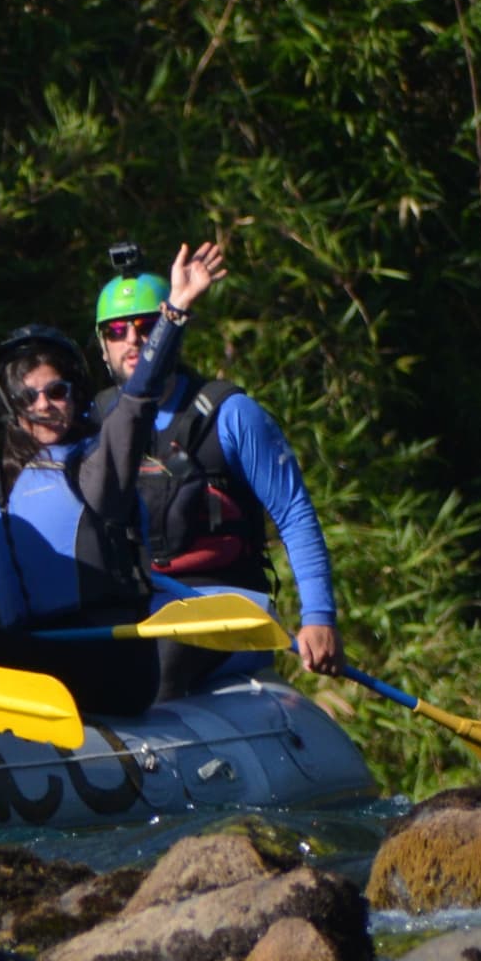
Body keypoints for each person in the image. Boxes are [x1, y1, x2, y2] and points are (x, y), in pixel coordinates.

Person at [0, 240, 230, 717]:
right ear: (11, 409)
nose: (44, 405)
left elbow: (135, 405)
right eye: (28, 398)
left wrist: (172, 315)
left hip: (109, 663)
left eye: (56, 391)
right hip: (38, 660)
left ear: (76, 393)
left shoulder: (96, 467)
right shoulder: (0, 486)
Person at [90, 239, 338, 680]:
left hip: (224, 607)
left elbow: (294, 512)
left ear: (170, 329)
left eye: (147, 325)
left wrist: (319, 616)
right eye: (116, 330)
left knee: (152, 673)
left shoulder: (231, 413)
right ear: (102, 343)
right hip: (144, 605)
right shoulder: (99, 419)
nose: (133, 340)